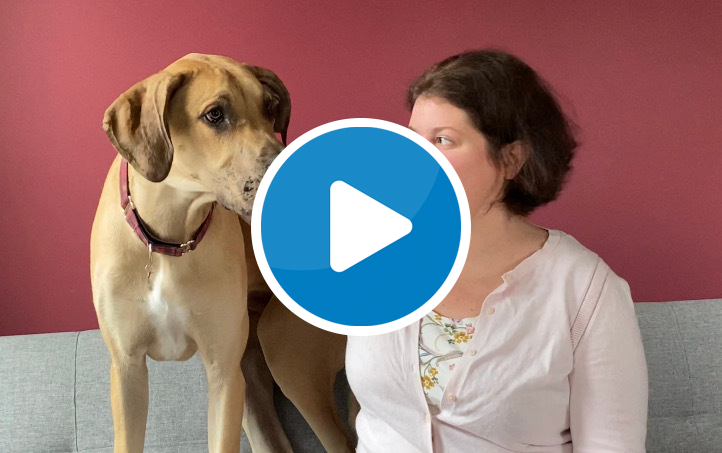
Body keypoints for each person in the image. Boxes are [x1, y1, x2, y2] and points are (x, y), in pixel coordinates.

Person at [345, 49, 648, 452]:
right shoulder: (373, 262)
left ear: (511, 159)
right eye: (413, 139)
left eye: (442, 140)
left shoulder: (585, 289)